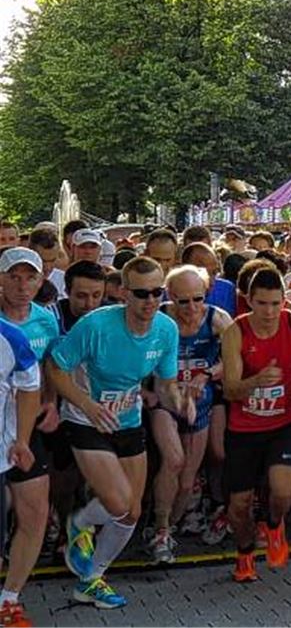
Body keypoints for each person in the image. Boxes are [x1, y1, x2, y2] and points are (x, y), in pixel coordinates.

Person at [49, 255, 191, 610]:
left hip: (127, 421)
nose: (150, 302)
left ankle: (91, 579)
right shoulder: (96, 325)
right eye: (141, 294)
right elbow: (54, 367)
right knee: (116, 502)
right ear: (124, 294)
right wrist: (86, 405)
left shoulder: (166, 329)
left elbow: (167, 382)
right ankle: (78, 524)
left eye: (158, 293)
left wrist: (179, 400)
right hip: (87, 421)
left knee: (130, 513)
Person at [221, 267, 291, 583]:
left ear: (284, 300)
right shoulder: (235, 332)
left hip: (283, 423)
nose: (270, 312)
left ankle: (274, 524)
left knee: (282, 489)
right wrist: (257, 381)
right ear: (249, 301)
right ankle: (245, 551)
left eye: (276, 303)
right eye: (262, 304)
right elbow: (230, 389)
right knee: (239, 505)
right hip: (244, 428)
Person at [147, 265, 231, 564]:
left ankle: (167, 525)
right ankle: (159, 531)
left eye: (198, 298)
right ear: (171, 297)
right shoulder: (160, 319)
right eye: (183, 301)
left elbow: (237, 356)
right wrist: (151, 390)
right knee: (173, 460)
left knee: (186, 481)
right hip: (166, 403)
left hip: (201, 403)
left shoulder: (217, 318)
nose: (192, 308)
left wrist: (207, 374)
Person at [0, 248, 57, 626]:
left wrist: (22, 438)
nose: (22, 285)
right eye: (13, 277)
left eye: (29, 277)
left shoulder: (24, 334)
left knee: (35, 512)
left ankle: (9, 598)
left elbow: (34, 380)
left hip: (16, 436)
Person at [55, 261, 106, 333]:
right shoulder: (52, 316)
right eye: (81, 296)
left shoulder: (114, 316)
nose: (89, 304)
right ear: (67, 292)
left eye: (96, 296)